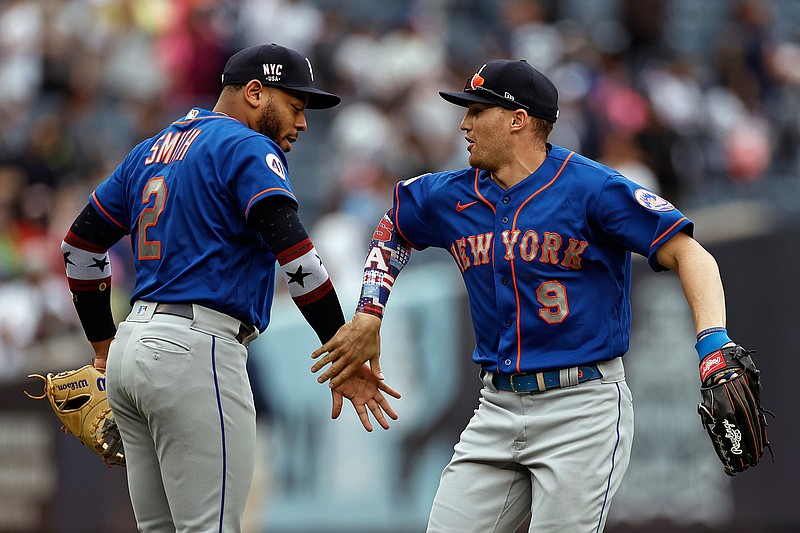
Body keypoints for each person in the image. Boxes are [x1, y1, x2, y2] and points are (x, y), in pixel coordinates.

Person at [311, 59, 739, 532]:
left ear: (517, 119)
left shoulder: (591, 188)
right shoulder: (451, 194)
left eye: (477, 111)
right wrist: (370, 312)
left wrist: (713, 344)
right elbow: (393, 228)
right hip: (496, 406)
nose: (464, 123)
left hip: (582, 408)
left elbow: (692, 255)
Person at [60, 43, 399, 533]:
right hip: (197, 351)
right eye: (296, 107)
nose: (302, 125)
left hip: (133, 348)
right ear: (256, 93)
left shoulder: (150, 149)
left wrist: (101, 343)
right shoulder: (246, 146)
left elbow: (78, 247)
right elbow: (297, 255)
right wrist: (339, 343)